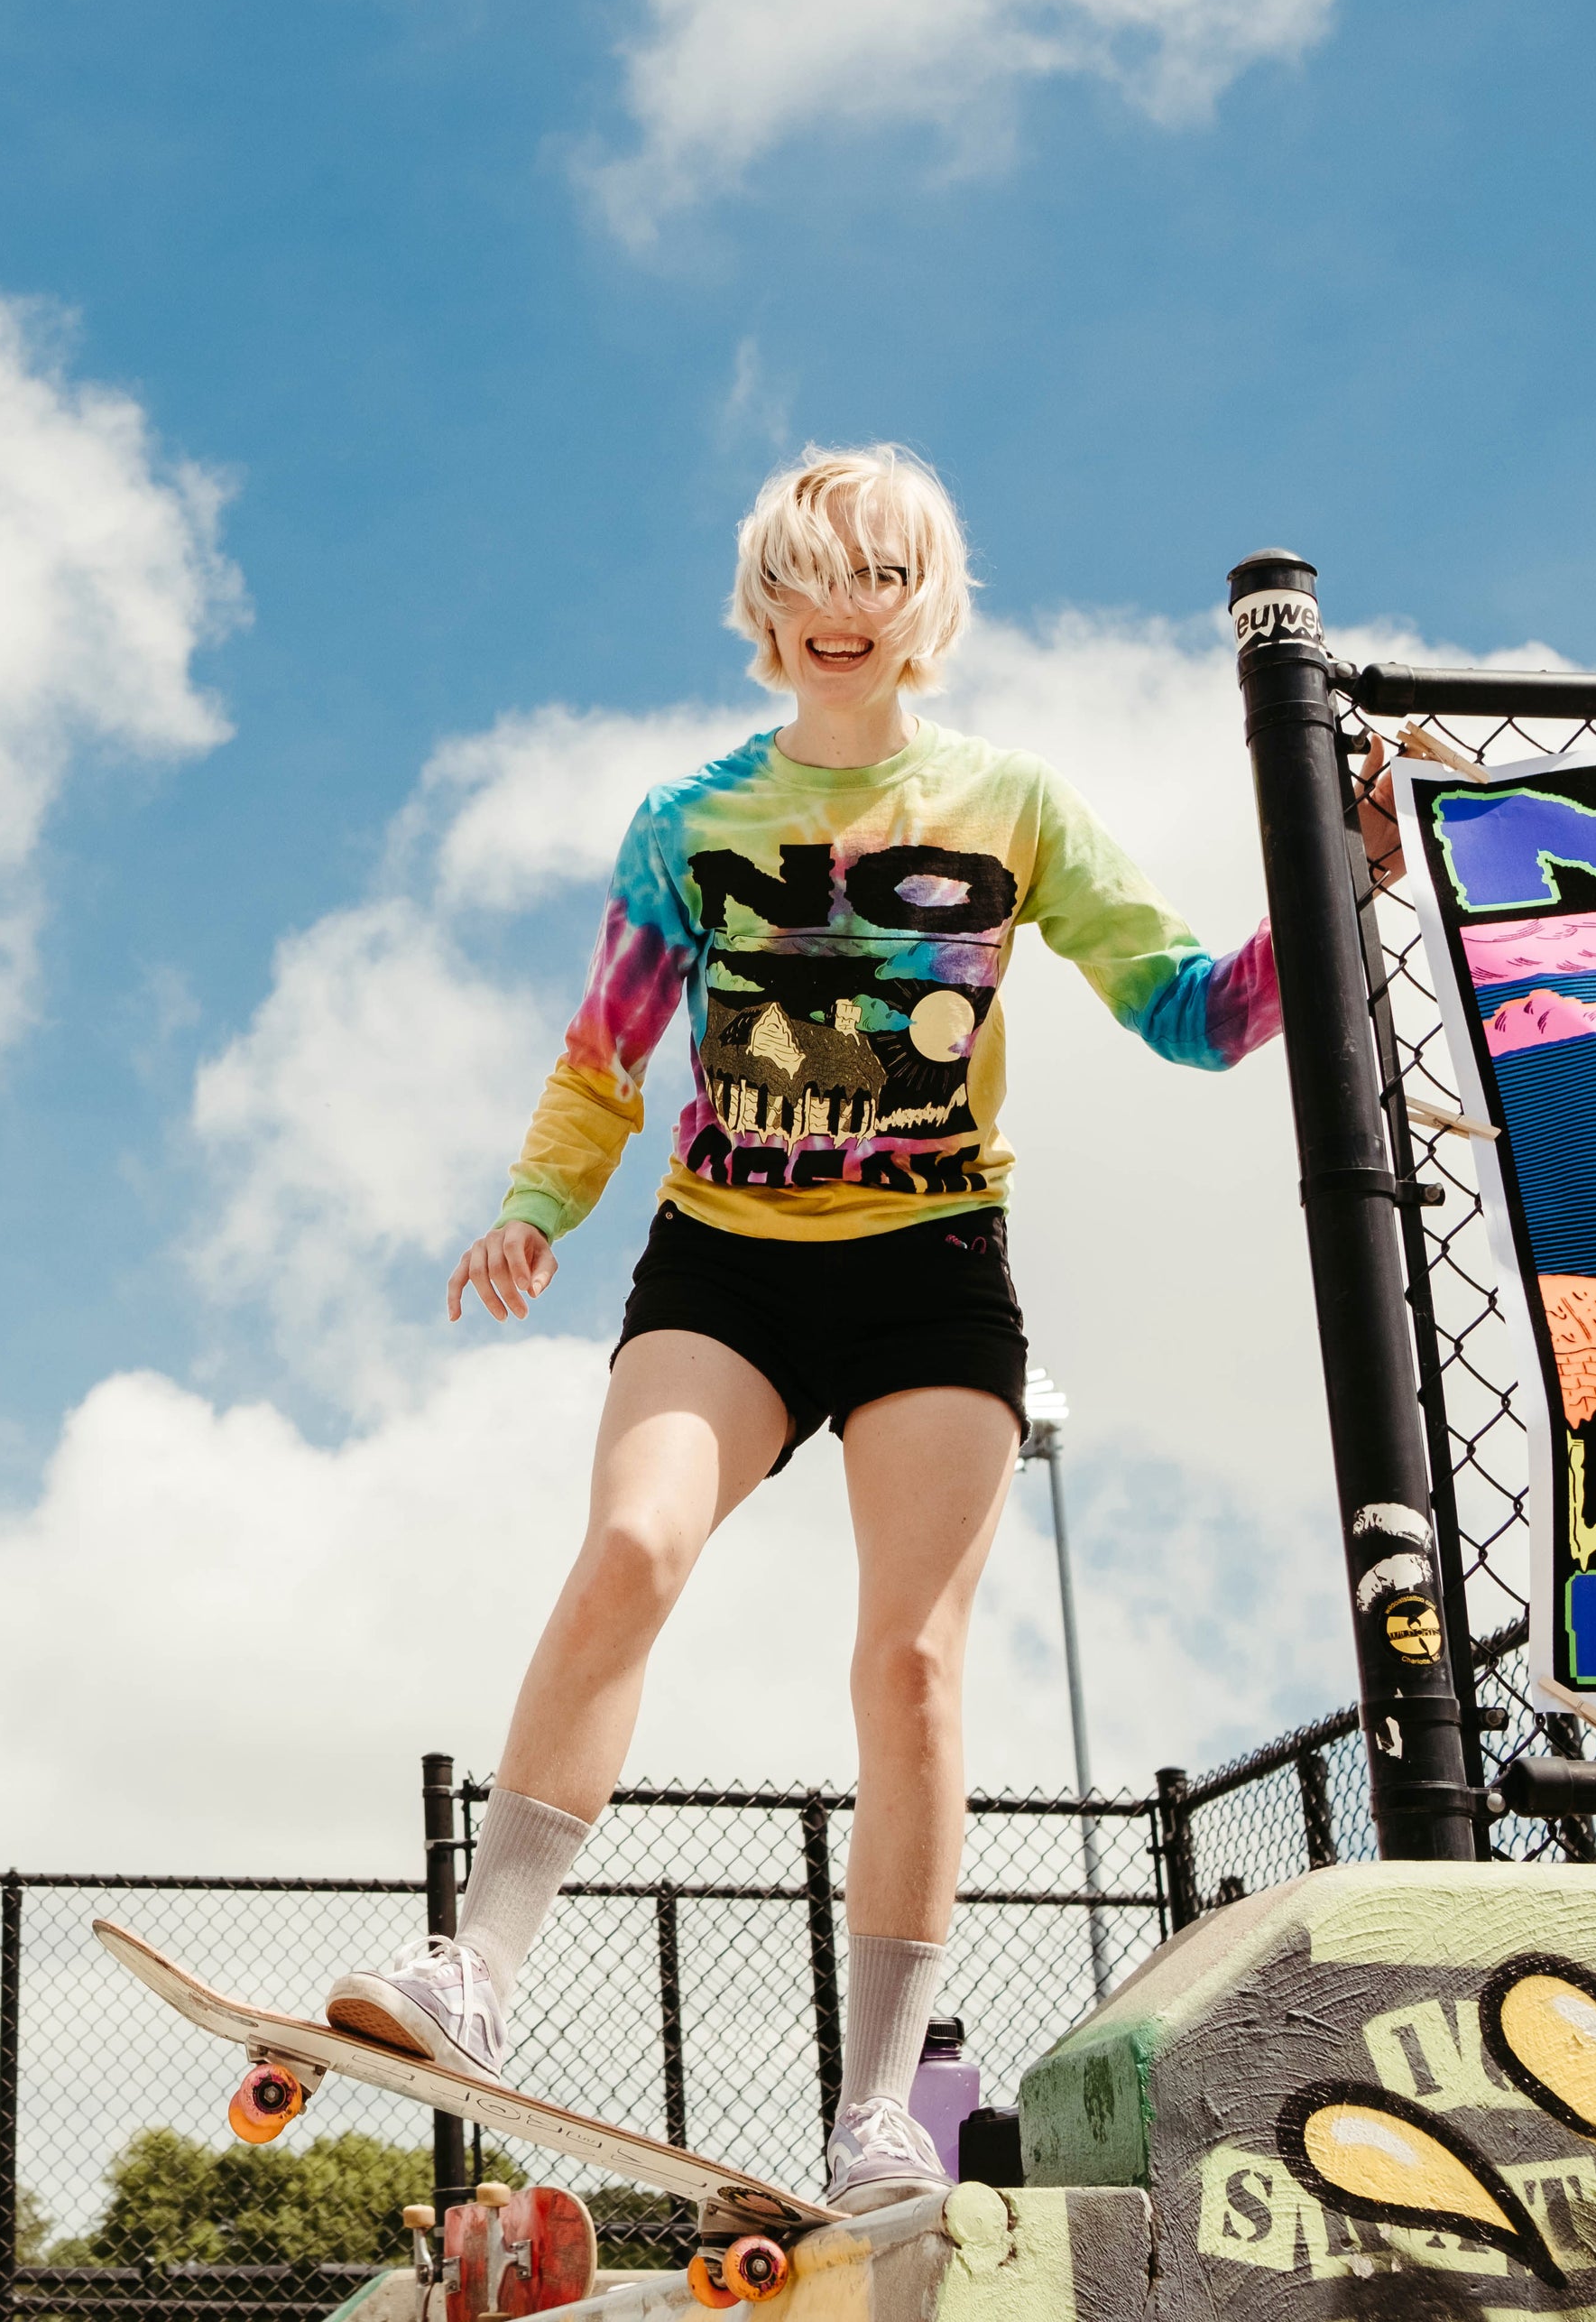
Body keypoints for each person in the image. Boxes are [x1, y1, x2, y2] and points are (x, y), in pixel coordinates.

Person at [323, 445, 1396, 2213]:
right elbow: (602, 1057)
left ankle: (874, 2106)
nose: (841, 607)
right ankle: (477, 1972)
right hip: (723, 1261)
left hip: (927, 1273)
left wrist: (1335, 885)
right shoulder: (686, 826)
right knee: (629, 1541)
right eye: (811, 577)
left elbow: (1193, 1013)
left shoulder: (1009, 805)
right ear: (764, 603)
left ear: (925, 605)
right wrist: (530, 1209)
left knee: (907, 1665)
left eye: (876, 575)